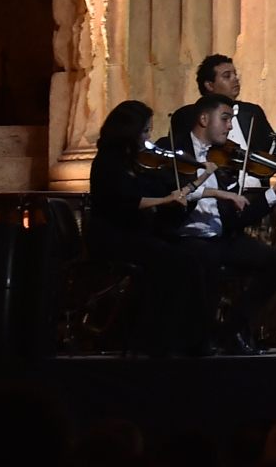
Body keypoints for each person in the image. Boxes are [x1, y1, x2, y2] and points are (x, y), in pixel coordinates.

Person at [172, 92, 276, 350]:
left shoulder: (223, 162)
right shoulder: (174, 153)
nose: (231, 127)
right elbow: (174, 198)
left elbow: (239, 218)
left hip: (221, 237)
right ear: (204, 119)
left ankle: (231, 327)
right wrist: (211, 189)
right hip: (186, 238)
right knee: (204, 262)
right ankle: (199, 339)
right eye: (226, 118)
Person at [87, 101, 214, 354]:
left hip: (135, 234)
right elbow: (125, 201)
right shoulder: (108, 163)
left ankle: (189, 337)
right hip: (113, 237)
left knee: (195, 257)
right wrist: (166, 199)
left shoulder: (132, 163)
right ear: (129, 131)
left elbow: (160, 190)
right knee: (177, 262)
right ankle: (162, 339)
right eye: (145, 131)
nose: (148, 139)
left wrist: (197, 179)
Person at [167, 54, 276, 175]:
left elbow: (270, 148)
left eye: (235, 74)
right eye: (227, 76)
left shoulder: (253, 112)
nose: (235, 78)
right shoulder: (187, 115)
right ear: (209, 85)